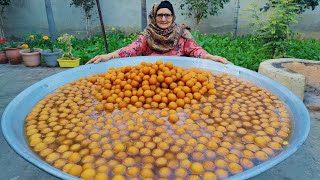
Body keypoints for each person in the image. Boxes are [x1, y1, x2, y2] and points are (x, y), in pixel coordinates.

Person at [86, 0, 230, 64]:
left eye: (167, 15)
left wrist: (211, 57)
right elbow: (131, 49)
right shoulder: (147, 36)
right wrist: (111, 55)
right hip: (151, 81)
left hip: (178, 83)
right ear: (154, 17)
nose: (163, 18)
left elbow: (196, 51)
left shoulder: (182, 35)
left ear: (173, 17)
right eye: (159, 15)